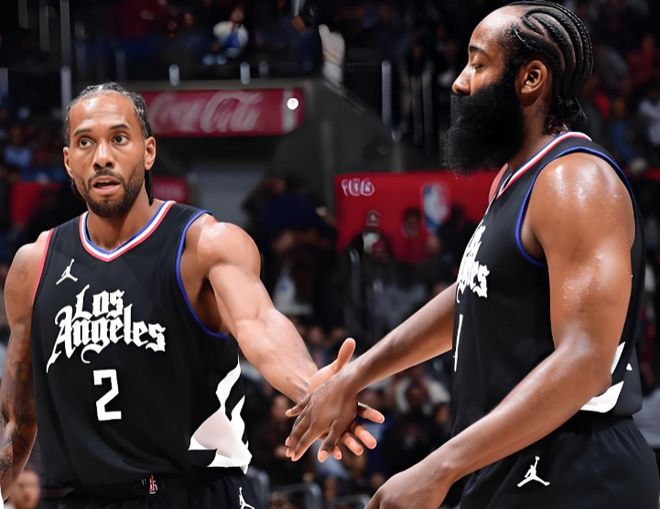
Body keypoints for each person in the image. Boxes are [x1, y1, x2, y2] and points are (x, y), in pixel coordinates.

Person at [285, 2, 660, 508]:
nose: (460, 82)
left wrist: (438, 468)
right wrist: (356, 374)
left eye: (478, 64)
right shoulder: (513, 181)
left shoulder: (576, 181)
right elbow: (472, 295)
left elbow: (585, 362)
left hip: (579, 470)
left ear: (531, 78)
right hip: (515, 460)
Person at [0, 82, 383, 508]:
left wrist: (312, 387)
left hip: (197, 493)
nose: (102, 156)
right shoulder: (34, 266)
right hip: (86, 499)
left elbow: (259, 324)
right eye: (85, 142)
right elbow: (17, 422)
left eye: (119, 138)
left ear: (148, 152)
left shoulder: (204, 244)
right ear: (68, 161)